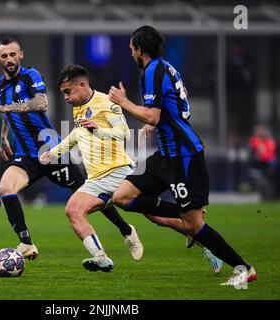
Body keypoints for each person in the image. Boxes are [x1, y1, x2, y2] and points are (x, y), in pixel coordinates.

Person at [108, 26, 257, 286]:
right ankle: (186, 213)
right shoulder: (163, 67)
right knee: (122, 197)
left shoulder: (153, 70)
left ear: (140, 49)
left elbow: (153, 114)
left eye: (132, 46)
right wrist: (151, 124)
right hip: (165, 154)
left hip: (183, 156)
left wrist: (123, 102)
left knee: (193, 226)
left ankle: (245, 269)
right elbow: (170, 105)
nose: (130, 51)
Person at [0, 36, 143, 262]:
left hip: (51, 149)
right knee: (5, 187)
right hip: (25, 154)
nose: (10, 59)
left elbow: (41, 103)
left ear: (20, 55)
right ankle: (26, 242)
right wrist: (3, 136)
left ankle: (126, 230)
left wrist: (5, 107)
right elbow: (6, 113)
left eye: (13, 54)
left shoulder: (31, 76)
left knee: (90, 193)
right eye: (5, 56)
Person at [40, 64, 142, 271]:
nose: (66, 98)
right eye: (63, 93)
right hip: (96, 179)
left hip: (119, 172)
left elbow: (125, 133)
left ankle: (203, 239)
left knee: (158, 216)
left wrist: (99, 130)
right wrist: (54, 153)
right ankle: (101, 257)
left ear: (83, 85)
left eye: (68, 92)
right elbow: (78, 135)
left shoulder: (105, 102)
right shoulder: (78, 107)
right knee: (73, 210)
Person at [248, 125, 277, 199]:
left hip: (267, 164)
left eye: (262, 131)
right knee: (259, 179)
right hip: (258, 164)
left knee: (269, 179)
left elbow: (270, 154)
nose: (260, 133)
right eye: (259, 131)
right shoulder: (254, 140)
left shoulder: (270, 141)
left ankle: (270, 195)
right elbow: (252, 151)